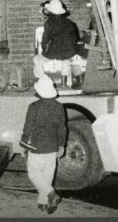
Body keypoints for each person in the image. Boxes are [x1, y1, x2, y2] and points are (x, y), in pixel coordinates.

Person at [20, 74, 67, 214]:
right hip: (52, 146)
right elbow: (62, 127)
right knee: (47, 175)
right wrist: (61, 145)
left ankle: (51, 194)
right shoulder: (59, 107)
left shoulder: (34, 107)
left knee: (34, 174)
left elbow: (28, 127)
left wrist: (24, 144)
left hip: (37, 146)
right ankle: (43, 202)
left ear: (39, 92)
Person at [32, 0, 80, 80]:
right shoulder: (70, 23)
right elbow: (75, 39)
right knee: (69, 60)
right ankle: (74, 79)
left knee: (36, 60)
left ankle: (41, 81)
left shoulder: (49, 23)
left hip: (54, 52)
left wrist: (44, 51)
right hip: (69, 52)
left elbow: (45, 40)